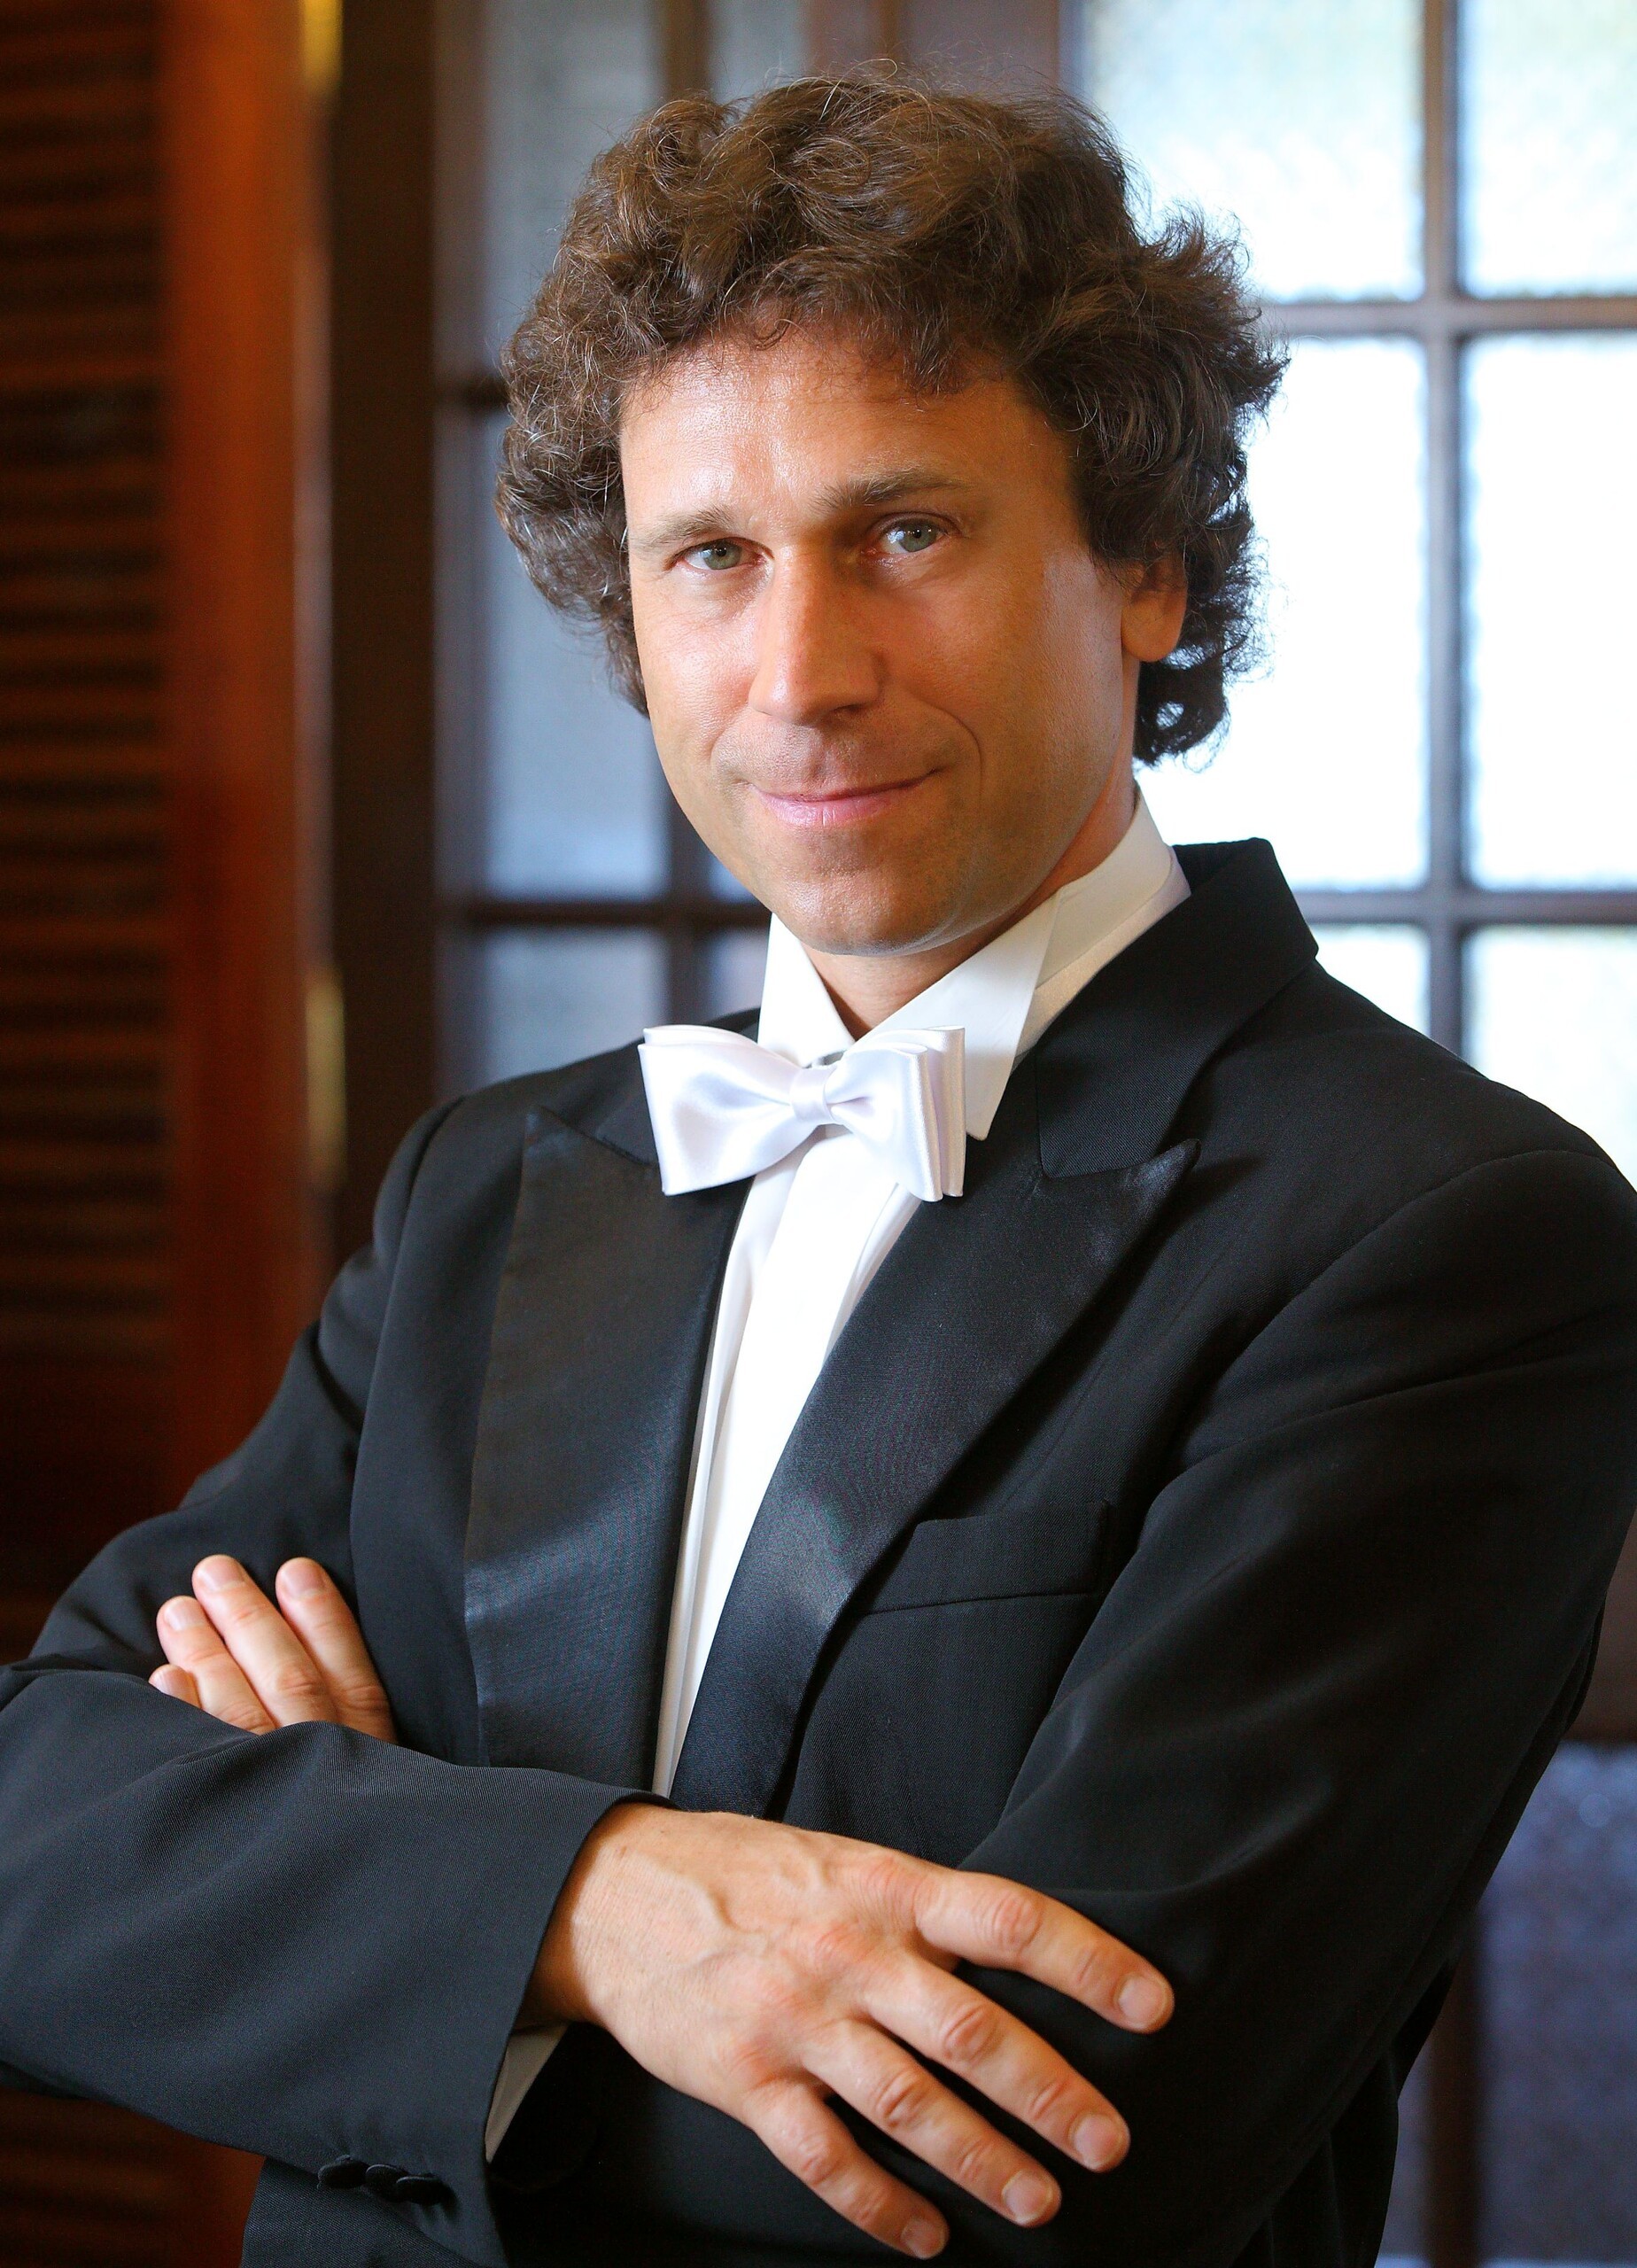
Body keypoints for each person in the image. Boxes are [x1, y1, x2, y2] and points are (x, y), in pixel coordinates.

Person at [3, 73, 1634, 2268]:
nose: (800, 675)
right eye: (711, 559)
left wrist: (343, 1910)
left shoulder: (1446, 1230)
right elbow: (27, 1846)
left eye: (906, 533)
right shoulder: (489, 1183)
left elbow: (1042, 2148)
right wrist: (607, 1908)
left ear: (1145, 565)